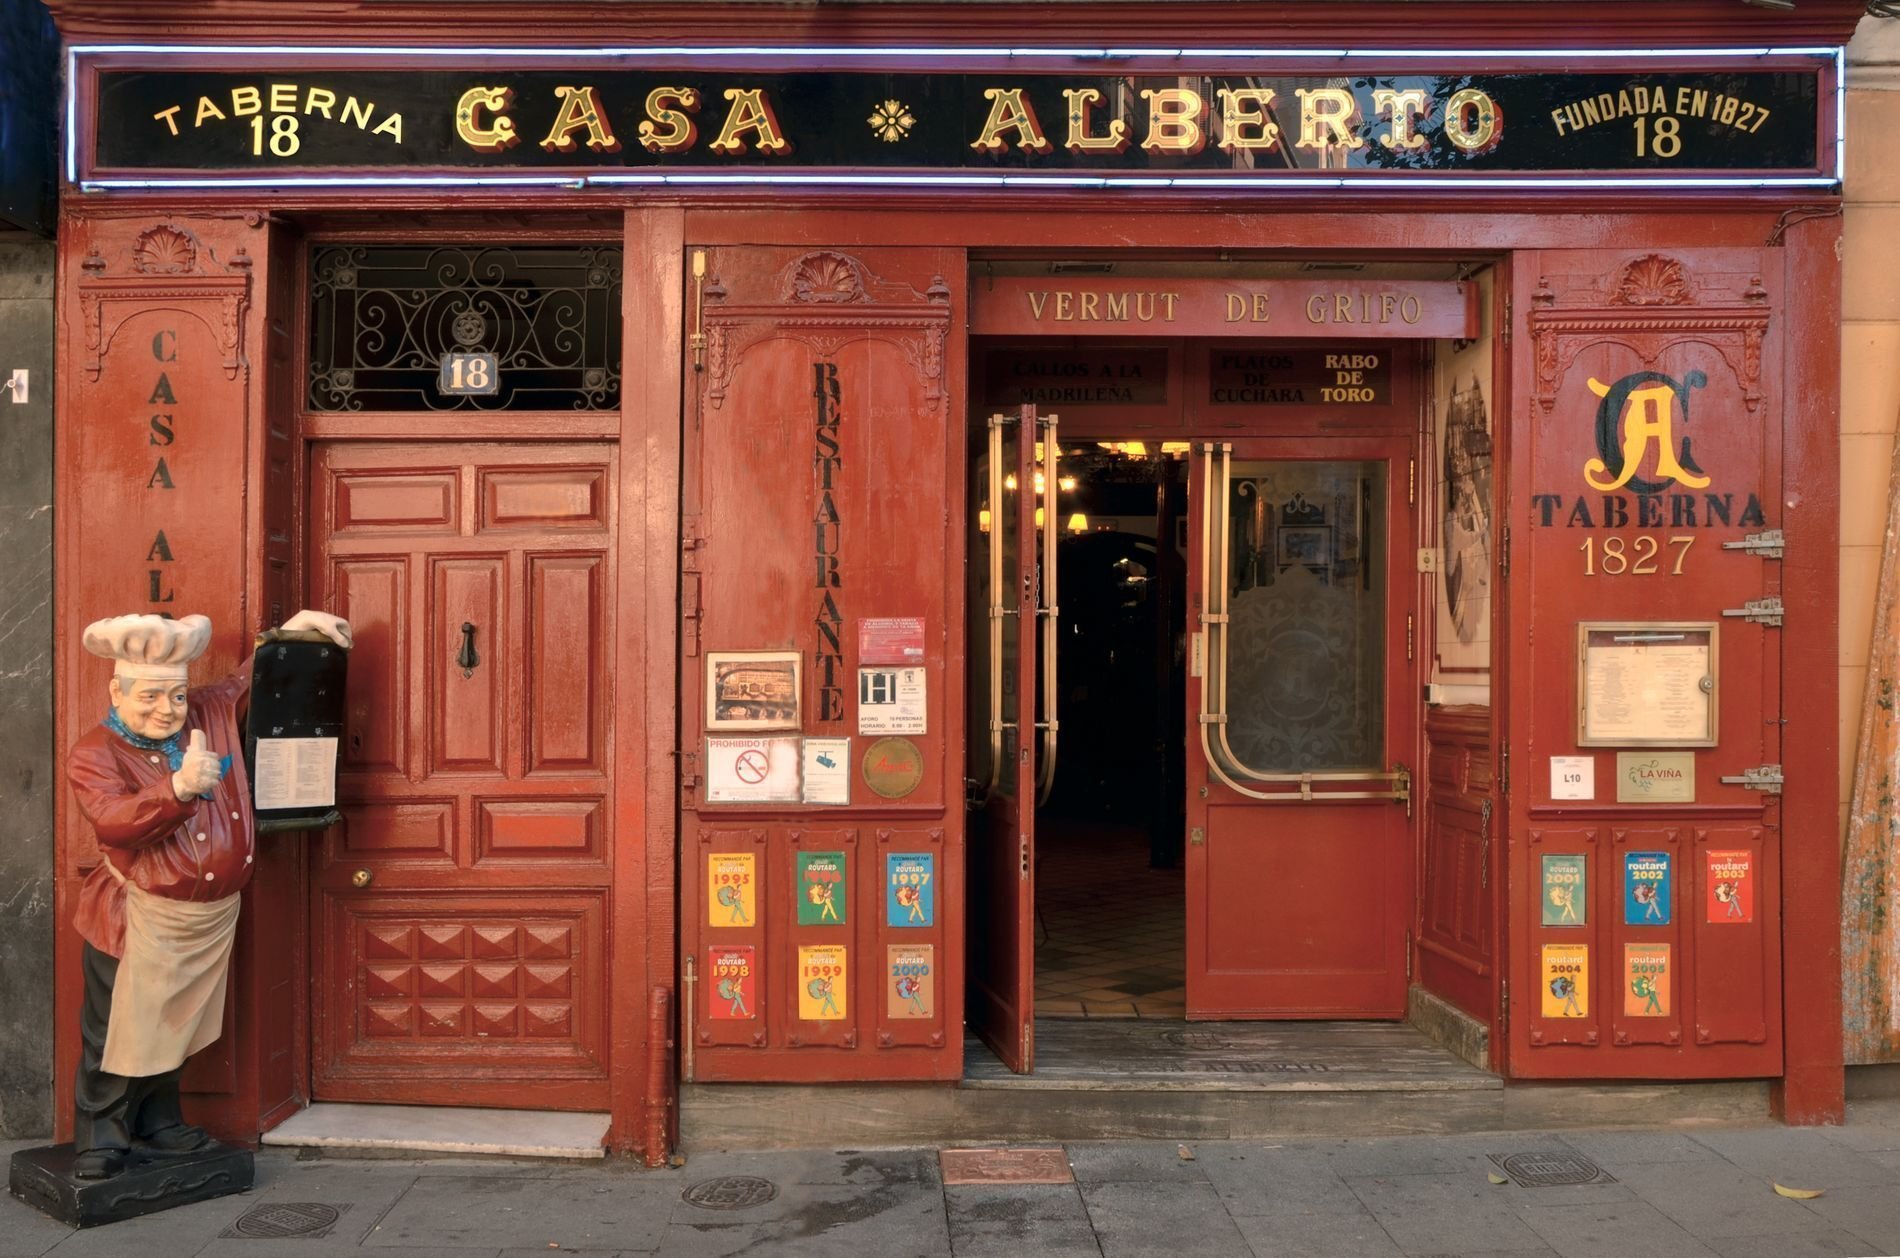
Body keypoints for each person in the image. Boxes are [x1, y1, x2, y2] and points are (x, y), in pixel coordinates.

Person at [67, 609, 350, 1179]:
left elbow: (251, 677)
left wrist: (293, 631)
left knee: (179, 1023)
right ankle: (101, 1132)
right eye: (148, 696)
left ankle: (158, 1120)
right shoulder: (94, 752)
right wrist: (176, 790)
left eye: (174, 696)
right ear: (116, 690)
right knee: (118, 1025)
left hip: (209, 916)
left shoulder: (209, 709)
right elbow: (114, 823)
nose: (164, 710)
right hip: (138, 913)